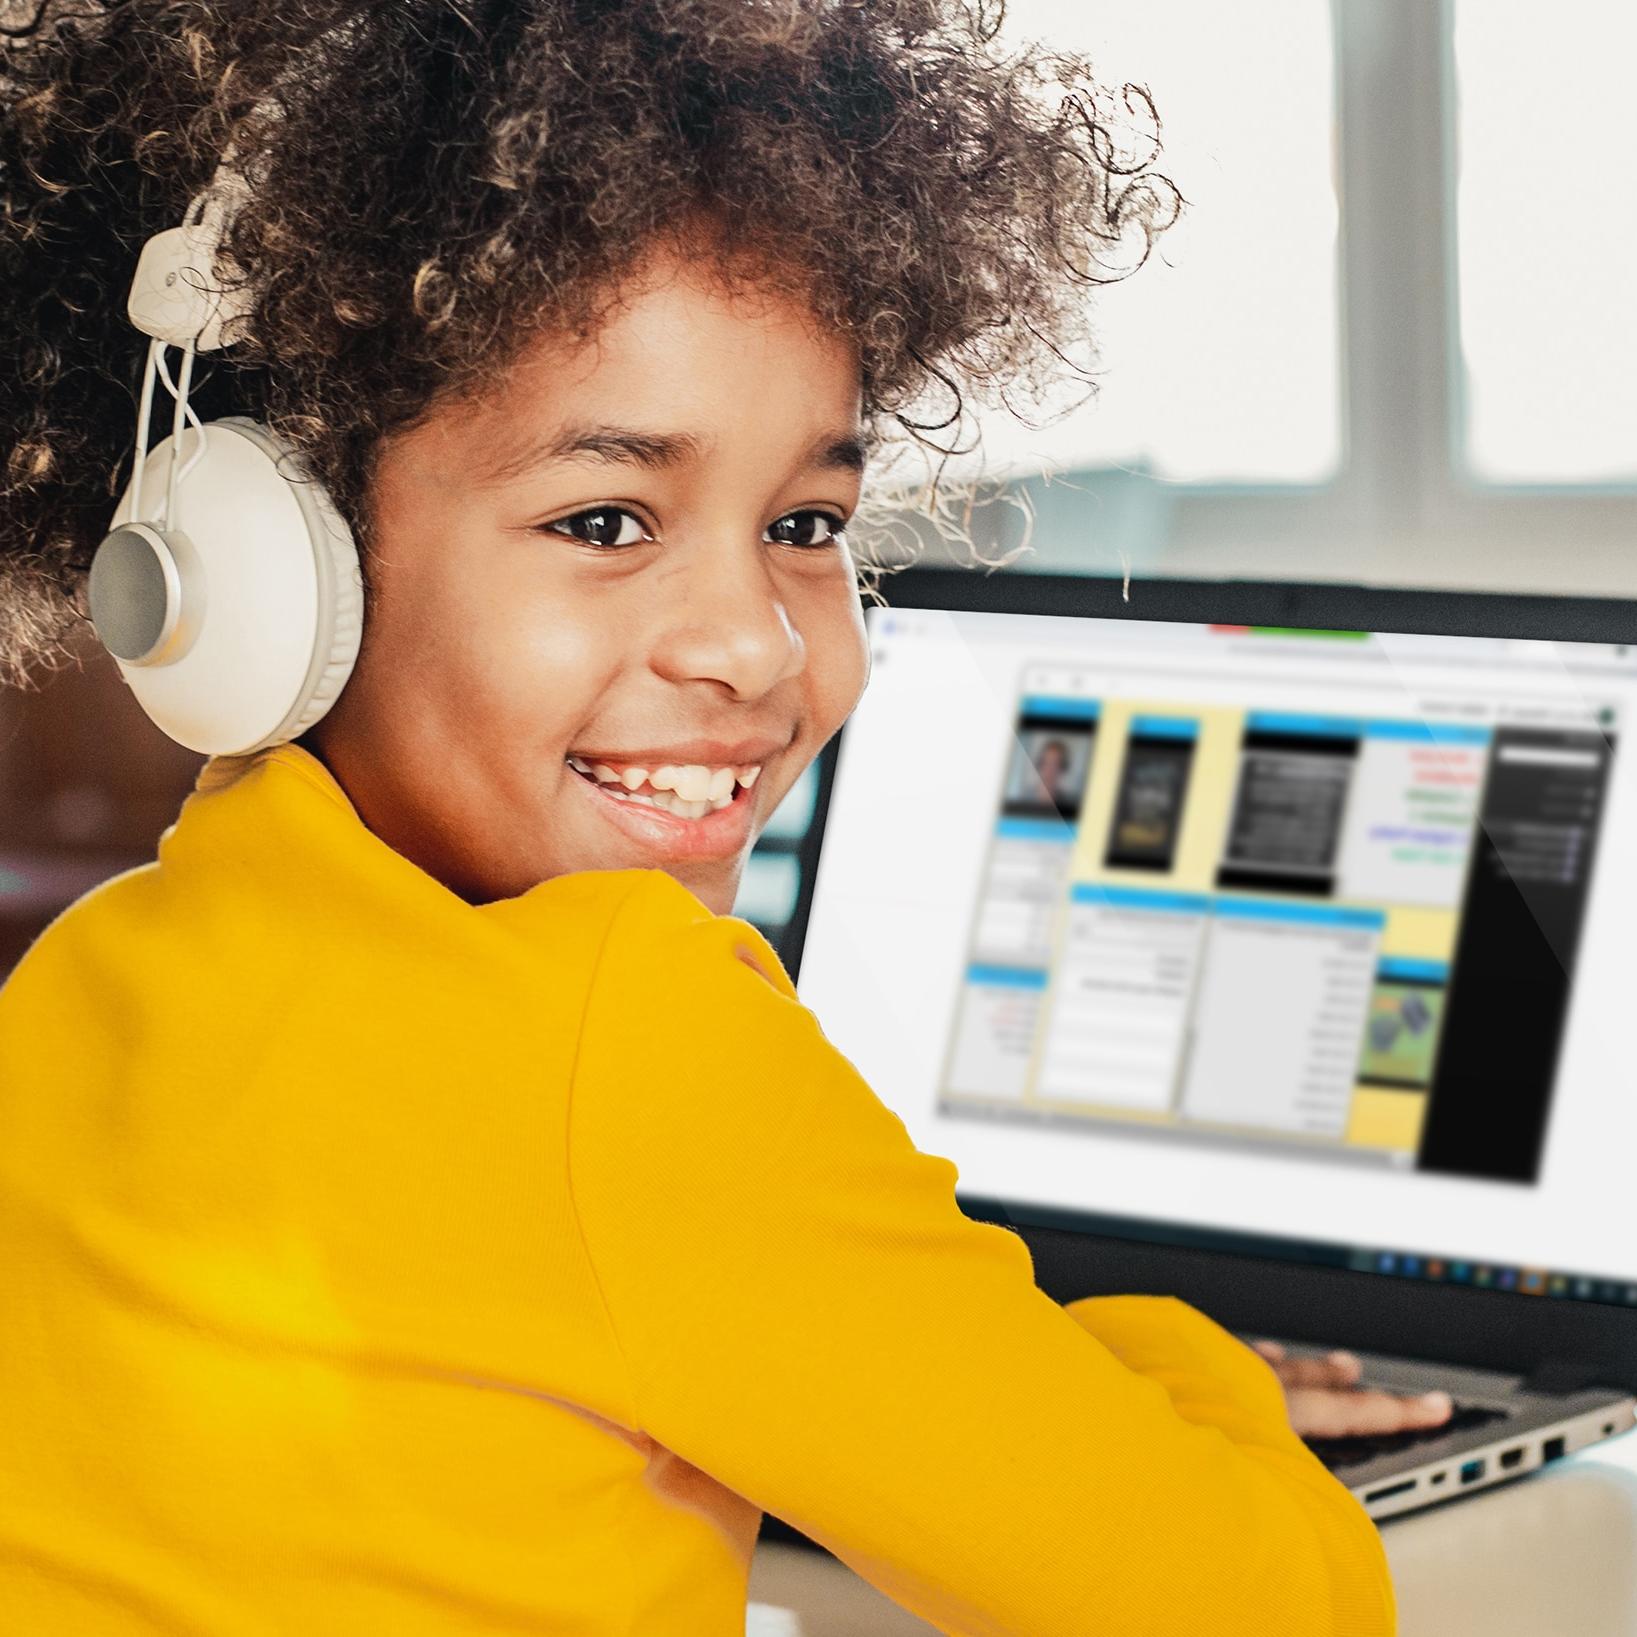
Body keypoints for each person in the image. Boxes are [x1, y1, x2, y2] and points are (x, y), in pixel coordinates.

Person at [0, 3, 1439, 1631]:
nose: (755, 640)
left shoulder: (83, 985)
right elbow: (1266, 1606)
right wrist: (1179, 1370)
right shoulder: (624, 1034)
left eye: (805, 522)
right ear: (283, 560)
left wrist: (1038, 1381)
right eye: (606, 518)